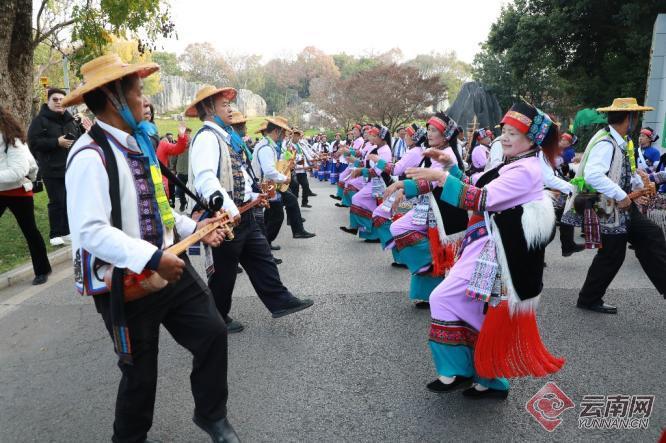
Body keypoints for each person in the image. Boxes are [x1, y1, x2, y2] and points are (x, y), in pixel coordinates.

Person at [63, 54, 239, 443]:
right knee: (140, 374)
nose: (145, 101)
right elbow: (90, 232)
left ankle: (212, 415)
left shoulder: (140, 144)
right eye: (138, 92)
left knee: (212, 331)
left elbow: (160, 207)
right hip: (127, 283)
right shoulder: (88, 156)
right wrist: (154, 257)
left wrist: (197, 227)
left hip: (168, 265)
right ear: (114, 98)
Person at [403, 101, 565, 399]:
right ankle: (478, 374)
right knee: (470, 306)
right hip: (486, 244)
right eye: (505, 131)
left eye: (514, 133)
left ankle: (470, 372)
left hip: (498, 250)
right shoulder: (512, 164)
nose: (505, 137)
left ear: (532, 140)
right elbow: (473, 184)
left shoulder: (525, 170)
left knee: (453, 300)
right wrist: (449, 167)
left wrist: (440, 176)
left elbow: (481, 199)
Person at [186, 86, 314, 333]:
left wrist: (254, 194)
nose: (230, 109)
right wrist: (229, 206)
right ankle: (216, 318)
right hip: (225, 217)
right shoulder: (206, 137)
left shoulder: (222, 137)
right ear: (209, 109)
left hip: (242, 212)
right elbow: (205, 178)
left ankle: (280, 301)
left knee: (262, 257)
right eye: (223, 105)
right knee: (223, 274)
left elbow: (237, 176)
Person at [562, 98, 666, 314]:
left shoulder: (620, 140)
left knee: (650, 235)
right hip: (604, 202)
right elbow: (593, 174)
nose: (637, 120)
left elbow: (625, 168)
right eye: (636, 116)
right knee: (612, 253)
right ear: (629, 118)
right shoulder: (605, 142)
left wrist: (639, 184)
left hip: (616, 201)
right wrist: (621, 195)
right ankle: (588, 298)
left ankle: (589, 297)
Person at [383, 113, 469, 308]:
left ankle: (431, 262)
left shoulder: (447, 154)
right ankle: (429, 278)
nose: (429, 134)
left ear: (445, 135)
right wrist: (404, 189)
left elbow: (431, 181)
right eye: (428, 130)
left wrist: (401, 186)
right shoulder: (432, 150)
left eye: (433, 130)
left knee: (399, 229)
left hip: (442, 209)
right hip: (429, 206)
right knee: (402, 230)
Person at [0, 106, 51, 285]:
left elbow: (18, 171)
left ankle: (42, 270)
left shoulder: (13, 140)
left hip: (18, 191)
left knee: (30, 231)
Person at [27, 87, 85, 246]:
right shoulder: (40, 121)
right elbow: (33, 144)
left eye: (61, 100)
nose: (59, 102)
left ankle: (68, 231)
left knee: (70, 200)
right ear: (48, 101)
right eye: (55, 99)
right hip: (51, 169)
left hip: (72, 168)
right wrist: (56, 142)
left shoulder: (71, 120)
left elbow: (80, 140)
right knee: (57, 200)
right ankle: (56, 233)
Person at [251, 117, 316, 242]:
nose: (285, 135)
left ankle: (271, 242)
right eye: (283, 132)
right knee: (276, 216)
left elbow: (278, 161)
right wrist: (283, 178)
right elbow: (269, 171)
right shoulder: (266, 148)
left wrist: (288, 163)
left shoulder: (270, 145)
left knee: (276, 212)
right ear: (276, 131)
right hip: (267, 185)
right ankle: (266, 245)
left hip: (270, 184)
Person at [340, 125, 393, 241]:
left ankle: (361, 228)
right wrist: (357, 164)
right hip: (372, 182)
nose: (371, 137)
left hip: (379, 183)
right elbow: (366, 162)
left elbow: (377, 171)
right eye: (371, 135)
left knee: (359, 199)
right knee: (364, 202)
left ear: (381, 137)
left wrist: (360, 171)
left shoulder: (385, 151)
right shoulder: (375, 148)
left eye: (374, 135)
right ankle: (368, 232)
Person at [288, 128, 316, 208]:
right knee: (295, 190)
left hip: (302, 170)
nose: (297, 137)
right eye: (295, 136)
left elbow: (305, 155)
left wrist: (310, 161)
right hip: (295, 171)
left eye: (298, 136)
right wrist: (300, 163)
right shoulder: (289, 146)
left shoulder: (299, 144)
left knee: (306, 186)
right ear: (291, 136)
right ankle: (295, 207)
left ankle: (304, 202)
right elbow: (291, 159)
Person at [173, 128, 192, 212]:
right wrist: (172, 168)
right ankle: (183, 202)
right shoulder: (179, 145)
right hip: (180, 170)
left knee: (192, 191)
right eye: (185, 134)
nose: (187, 135)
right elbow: (174, 156)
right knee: (180, 190)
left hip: (191, 172)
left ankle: (192, 207)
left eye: (188, 134)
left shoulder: (193, 145)